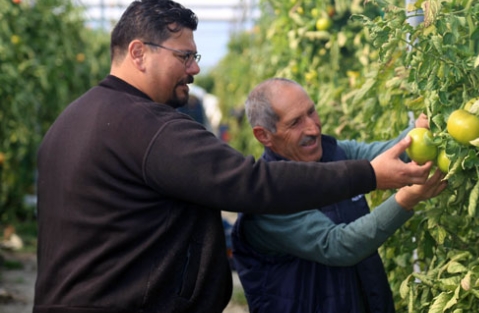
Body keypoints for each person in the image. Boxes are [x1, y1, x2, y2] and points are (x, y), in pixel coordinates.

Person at [33, 1, 435, 313]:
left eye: (195, 57)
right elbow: (253, 184)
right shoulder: (149, 128)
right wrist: (370, 176)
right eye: (183, 56)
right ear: (139, 52)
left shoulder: (72, 121)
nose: (193, 69)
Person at [231, 78, 448, 313]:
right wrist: (406, 200)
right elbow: (337, 245)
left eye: (311, 112)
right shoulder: (267, 198)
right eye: (295, 123)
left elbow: (386, 154)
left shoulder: (336, 154)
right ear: (264, 135)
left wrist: (418, 132)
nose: (313, 128)